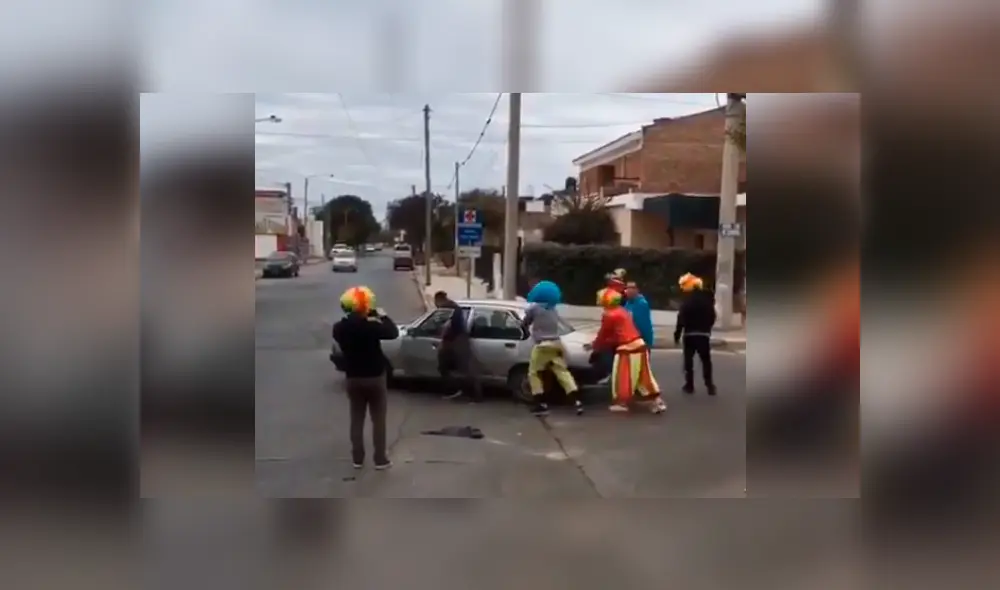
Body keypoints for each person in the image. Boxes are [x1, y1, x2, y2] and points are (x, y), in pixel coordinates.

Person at [332, 286, 400, 470]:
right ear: (366, 306)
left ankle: (357, 458)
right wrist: (381, 315)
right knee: (378, 419)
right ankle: (380, 459)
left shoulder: (339, 329)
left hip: (353, 377)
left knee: (356, 418)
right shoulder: (372, 327)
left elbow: (348, 326)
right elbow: (393, 332)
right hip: (375, 377)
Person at [592, 287, 666, 414]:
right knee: (644, 375)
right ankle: (657, 400)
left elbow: (604, 334)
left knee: (623, 376)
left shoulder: (609, 314)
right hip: (639, 344)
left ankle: (622, 403)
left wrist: (595, 346)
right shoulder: (622, 310)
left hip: (627, 348)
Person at [522, 280, 583, 417]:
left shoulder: (534, 308)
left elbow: (525, 323)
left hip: (542, 345)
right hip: (556, 344)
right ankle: (577, 401)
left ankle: (540, 404)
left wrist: (526, 327)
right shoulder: (554, 309)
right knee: (562, 372)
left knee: (534, 373)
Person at [433, 291, 483, 403]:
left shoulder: (449, 309)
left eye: (436, 302)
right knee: (451, 367)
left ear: (439, 300)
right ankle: (458, 391)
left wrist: (443, 339)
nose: (436, 304)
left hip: (457, 341)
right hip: (457, 340)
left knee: (465, 369)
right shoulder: (454, 307)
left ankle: (472, 395)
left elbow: (447, 327)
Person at [673, 273, 717, 396]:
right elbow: (712, 316)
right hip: (703, 334)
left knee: (688, 361)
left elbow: (681, 318)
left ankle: (689, 385)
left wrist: (677, 335)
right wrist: (707, 328)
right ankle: (710, 385)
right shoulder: (707, 300)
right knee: (706, 361)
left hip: (689, 334)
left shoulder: (687, 301)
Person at [623, 281, 654, 349]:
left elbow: (644, 324)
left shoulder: (641, 304)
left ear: (637, 290)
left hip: (639, 341)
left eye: (632, 288)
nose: (629, 290)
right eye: (628, 288)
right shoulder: (627, 304)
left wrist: (648, 342)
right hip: (629, 340)